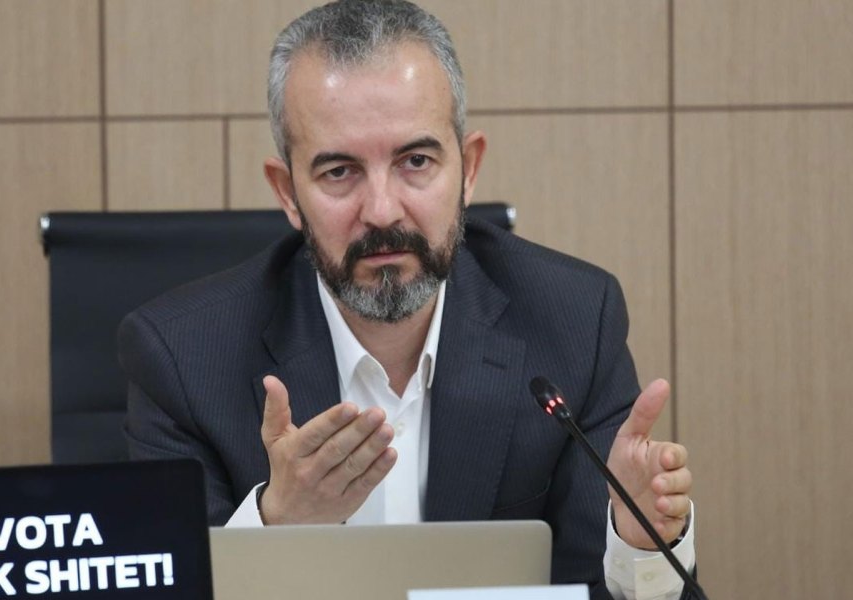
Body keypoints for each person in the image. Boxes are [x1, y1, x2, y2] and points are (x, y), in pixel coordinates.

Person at [119, 1, 696, 598]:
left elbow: (599, 585)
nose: (382, 211)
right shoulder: (182, 357)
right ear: (288, 192)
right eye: (339, 172)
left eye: (415, 161)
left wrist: (639, 546)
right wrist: (279, 525)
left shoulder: (573, 321)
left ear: (468, 169)